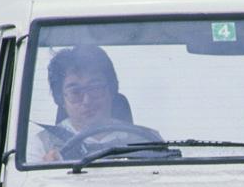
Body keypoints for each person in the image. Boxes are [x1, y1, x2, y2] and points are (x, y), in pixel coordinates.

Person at [28, 45, 160, 163]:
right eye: (75, 92)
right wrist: (47, 169)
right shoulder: (41, 145)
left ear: (112, 90)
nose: (87, 100)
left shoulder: (148, 140)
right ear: (60, 98)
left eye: (95, 88)